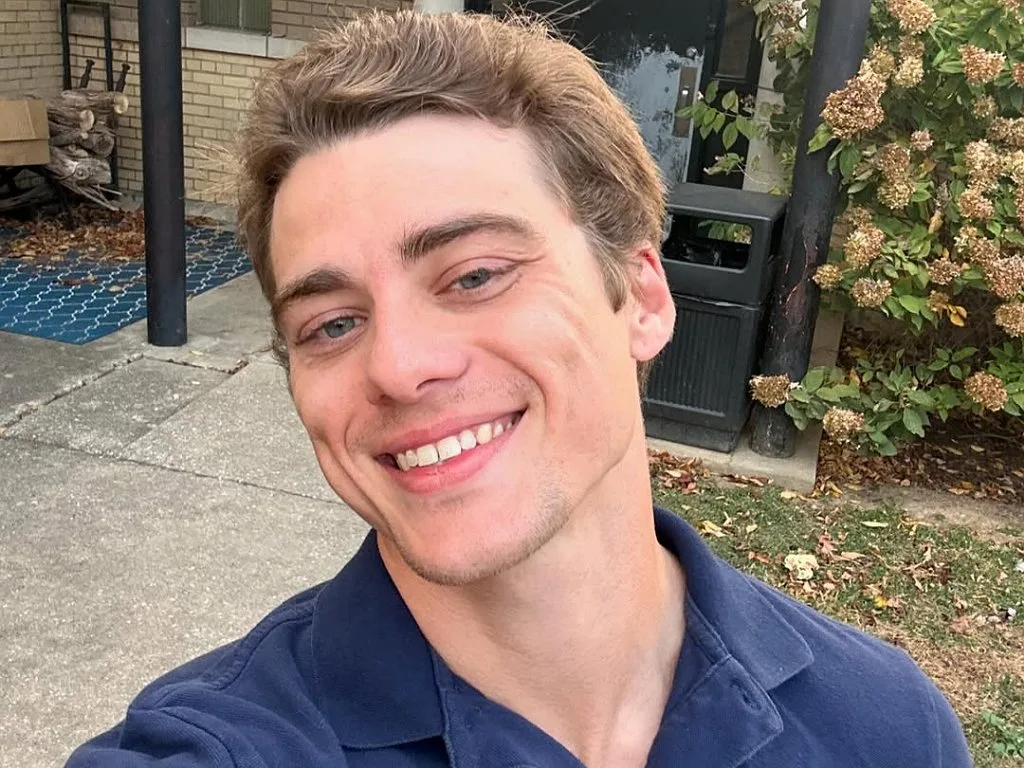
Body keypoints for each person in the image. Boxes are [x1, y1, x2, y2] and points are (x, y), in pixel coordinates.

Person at [66, 10, 971, 767]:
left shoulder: (885, 729)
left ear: (642, 298)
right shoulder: (220, 747)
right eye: (332, 324)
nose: (398, 366)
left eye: (475, 275)